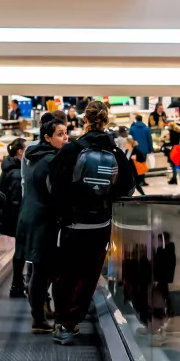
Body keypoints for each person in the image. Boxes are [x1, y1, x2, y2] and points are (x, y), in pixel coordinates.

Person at [46, 101, 137, 346]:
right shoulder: (116, 153)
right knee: (88, 276)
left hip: (71, 224)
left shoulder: (71, 150)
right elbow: (128, 188)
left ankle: (60, 321)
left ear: (85, 120)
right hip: (100, 226)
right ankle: (69, 324)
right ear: (106, 121)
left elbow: (52, 184)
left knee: (65, 274)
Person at [21, 117, 67, 333]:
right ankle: (38, 319)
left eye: (66, 133)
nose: (65, 137)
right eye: (60, 134)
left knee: (40, 270)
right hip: (43, 220)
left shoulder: (34, 156)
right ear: (47, 137)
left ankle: (39, 315)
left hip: (31, 217)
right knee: (41, 272)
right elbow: (56, 193)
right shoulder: (50, 161)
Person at [0, 139, 27, 293]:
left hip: (13, 216)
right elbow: (17, 199)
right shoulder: (17, 173)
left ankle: (17, 282)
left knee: (21, 250)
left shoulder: (9, 168)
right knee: (21, 251)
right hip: (18, 217)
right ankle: (17, 284)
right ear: (20, 152)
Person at [152, 230, 177, 322]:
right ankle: (164, 310)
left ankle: (163, 310)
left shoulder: (165, 250)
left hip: (162, 276)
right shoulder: (168, 249)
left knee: (162, 293)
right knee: (163, 292)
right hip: (163, 276)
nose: (159, 242)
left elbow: (160, 263)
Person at [165, 120, 180, 184]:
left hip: (173, 149)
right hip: (178, 148)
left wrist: (164, 143)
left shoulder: (171, 133)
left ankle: (174, 179)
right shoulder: (178, 132)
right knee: (175, 164)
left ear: (171, 127)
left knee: (173, 165)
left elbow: (170, 141)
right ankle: (174, 178)